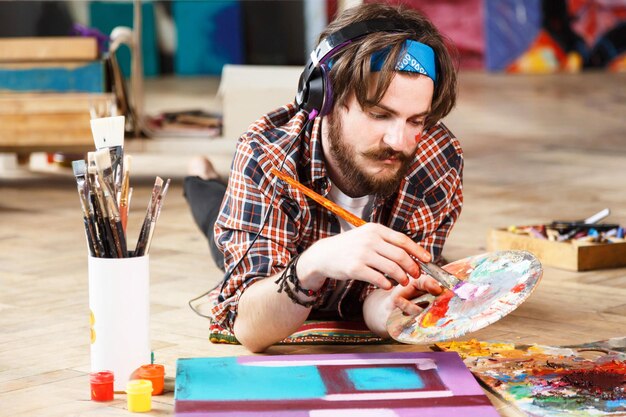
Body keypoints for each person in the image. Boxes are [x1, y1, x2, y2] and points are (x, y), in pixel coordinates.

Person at [184, 2, 463, 353]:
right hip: (279, 246)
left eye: (416, 121)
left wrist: (385, 309)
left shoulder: (437, 157)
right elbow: (250, 328)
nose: (399, 142)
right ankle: (200, 177)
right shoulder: (267, 157)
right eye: (379, 114)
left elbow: (388, 293)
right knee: (216, 223)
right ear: (325, 97)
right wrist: (314, 262)